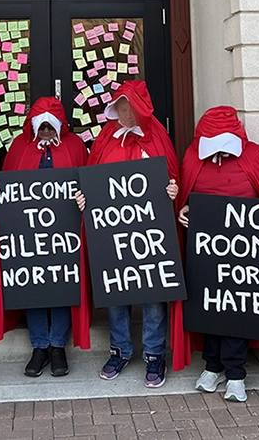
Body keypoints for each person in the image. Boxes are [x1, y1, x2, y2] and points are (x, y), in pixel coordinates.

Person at [171, 106, 259, 403]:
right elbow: (186, 194)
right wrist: (182, 210)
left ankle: (235, 372)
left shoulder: (254, 156)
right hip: (206, 246)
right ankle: (213, 364)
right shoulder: (193, 156)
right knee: (208, 305)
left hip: (244, 249)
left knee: (236, 309)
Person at [77, 80, 179, 389]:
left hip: (149, 233)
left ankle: (154, 353)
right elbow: (92, 179)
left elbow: (171, 176)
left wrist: (173, 190)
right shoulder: (106, 138)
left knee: (151, 295)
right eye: (121, 107)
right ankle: (119, 350)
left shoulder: (158, 137)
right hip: (112, 232)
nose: (126, 113)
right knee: (115, 293)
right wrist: (84, 198)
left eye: (130, 107)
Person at [0, 97, 91, 377]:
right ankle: (39, 346)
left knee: (61, 282)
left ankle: (57, 344)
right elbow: (8, 187)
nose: (45, 132)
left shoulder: (74, 146)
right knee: (31, 283)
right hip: (28, 231)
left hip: (65, 230)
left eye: (50, 127)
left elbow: (87, 182)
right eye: (41, 127)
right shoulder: (20, 146)